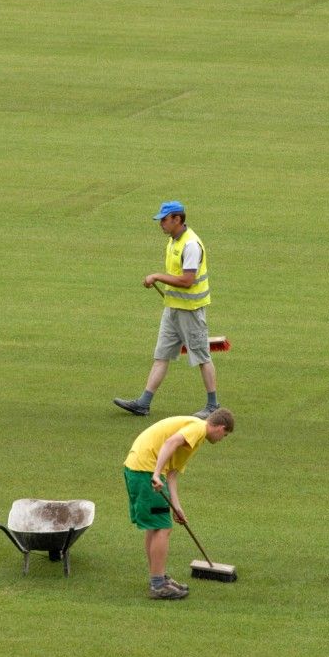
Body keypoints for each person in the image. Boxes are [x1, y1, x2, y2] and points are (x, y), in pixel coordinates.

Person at [114, 200, 220, 419]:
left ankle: (213, 405)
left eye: (164, 220)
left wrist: (157, 276)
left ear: (177, 219)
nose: (161, 223)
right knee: (161, 355)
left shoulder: (191, 245)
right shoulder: (174, 241)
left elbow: (187, 280)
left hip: (190, 310)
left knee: (202, 356)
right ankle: (143, 403)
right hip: (173, 308)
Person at [123, 408, 234, 599]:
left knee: (155, 526)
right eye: (224, 435)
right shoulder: (198, 428)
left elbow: (172, 474)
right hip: (146, 470)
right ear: (221, 428)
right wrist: (156, 474)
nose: (221, 439)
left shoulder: (195, 437)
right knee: (163, 527)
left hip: (141, 467)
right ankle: (158, 585)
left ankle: (158, 576)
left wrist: (177, 507)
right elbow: (170, 442)